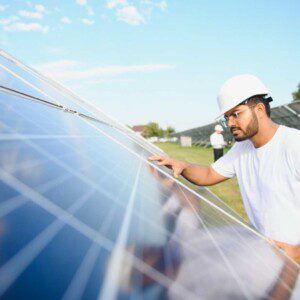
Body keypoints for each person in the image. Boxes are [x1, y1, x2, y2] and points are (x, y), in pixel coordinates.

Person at [149, 74, 300, 264]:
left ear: (260, 109)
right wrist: (184, 166)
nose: (230, 124)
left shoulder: (294, 144)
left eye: (236, 114)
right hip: (269, 261)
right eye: (227, 117)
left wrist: (296, 252)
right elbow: (209, 174)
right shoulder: (241, 149)